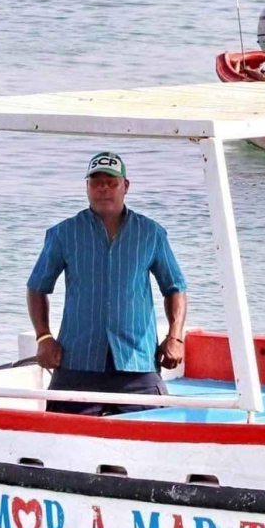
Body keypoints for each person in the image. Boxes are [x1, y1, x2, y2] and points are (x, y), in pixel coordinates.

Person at [26, 151, 188, 415]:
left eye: (111, 182)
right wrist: (44, 336)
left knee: (154, 433)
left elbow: (175, 288)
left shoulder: (151, 233)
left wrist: (175, 337)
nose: (104, 189)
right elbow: (37, 287)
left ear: (126, 186)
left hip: (137, 361)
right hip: (78, 359)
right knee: (63, 439)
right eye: (96, 182)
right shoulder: (64, 233)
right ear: (87, 187)